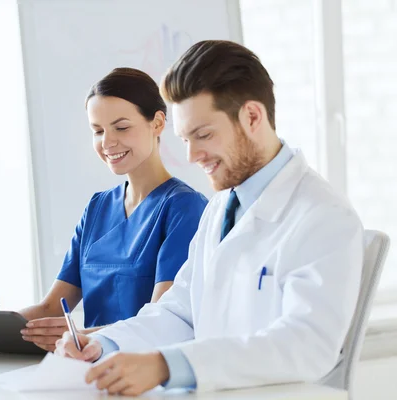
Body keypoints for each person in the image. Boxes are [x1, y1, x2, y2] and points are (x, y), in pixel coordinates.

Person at [55, 40, 364, 396]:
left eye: (203, 135)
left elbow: (306, 345)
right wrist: (105, 343)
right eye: (185, 138)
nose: (192, 155)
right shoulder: (220, 209)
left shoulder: (323, 216)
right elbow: (179, 312)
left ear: (252, 117)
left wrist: (167, 365)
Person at [8, 68, 208, 353]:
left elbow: (163, 321)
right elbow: (49, 307)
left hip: (145, 372)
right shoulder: (97, 208)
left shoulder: (184, 208)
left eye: (122, 127)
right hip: (88, 366)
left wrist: (84, 337)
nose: (108, 142)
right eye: (98, 131)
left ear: (158, 123)